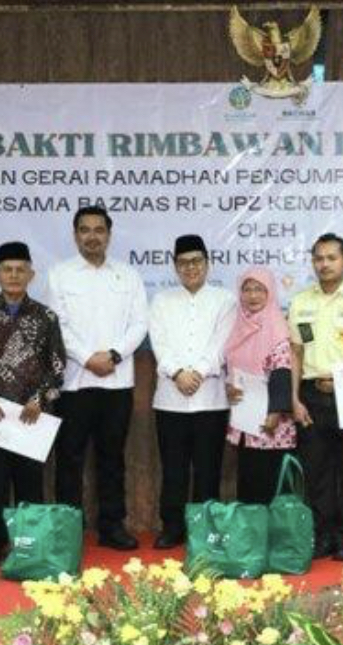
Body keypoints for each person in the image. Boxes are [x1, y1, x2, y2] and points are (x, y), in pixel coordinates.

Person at [47, 206, 148, 550]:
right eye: (85, 230)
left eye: (99, 230)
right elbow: (57, 324)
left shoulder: (128, 275)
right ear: (75, 235)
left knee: (112, 458)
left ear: (109, 234)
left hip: (117, 383)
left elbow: (139, 323)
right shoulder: (59, 275)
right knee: (69, 459)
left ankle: (112, 526)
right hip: (74, 383)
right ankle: (68, 529)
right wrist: (88, 358)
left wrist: (114, 355)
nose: (92, 236)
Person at [0, 241, 66, 568]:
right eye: (7, 269)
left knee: (30, 484)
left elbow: (57, 367)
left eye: (20, 269)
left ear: (31, 275)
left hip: (30, 417)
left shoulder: (46, 317)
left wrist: (39, 399)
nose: (13, 275)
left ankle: (28, 544)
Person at [288, 233, 343, 561]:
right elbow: (295, 354)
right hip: (311, 395)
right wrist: (294, 399)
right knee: (316, 471)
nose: (324, 264)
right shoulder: (300, 302)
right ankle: (323, 534)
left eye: (331, 258)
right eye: (318, 258)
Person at [147, 235, 237, 548]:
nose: (191, 267)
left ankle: (204, 527)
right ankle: (172, 527)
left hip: (211, 399)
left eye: (197, 261)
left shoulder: (225, 300)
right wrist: (177, 373)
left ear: (207, 263)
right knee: (173, 468)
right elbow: (159, 342)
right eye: (183, 262)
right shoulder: (161, 300)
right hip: (170, 400)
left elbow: (222, 344)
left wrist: (197, 372)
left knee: (208, 468)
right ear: (175, 266)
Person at [223, 267, 296, 504]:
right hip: (245, 420)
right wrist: (229, 387)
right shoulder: (237, 325)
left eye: (259, 289)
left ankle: (273, 528)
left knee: (272, 483)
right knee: (248, 480)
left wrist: (275, 412)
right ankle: (251, 526)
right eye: (247, 289)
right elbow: (230, 368)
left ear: (270, 293)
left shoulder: (277, 326)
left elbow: (282, 371)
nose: (252, 295)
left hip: (272, 423)